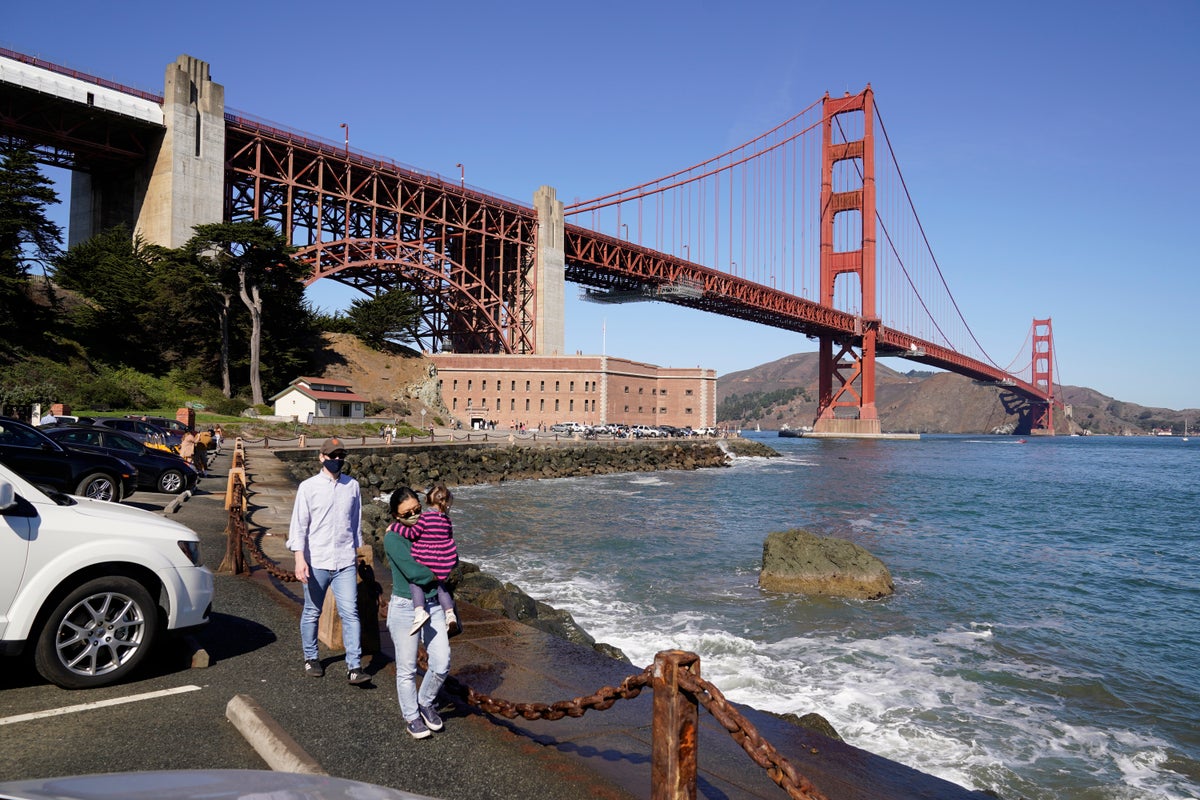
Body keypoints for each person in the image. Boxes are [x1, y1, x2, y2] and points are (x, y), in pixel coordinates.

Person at [286, 436, 370, 685]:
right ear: (321, 457)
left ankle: (354, 666)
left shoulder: (352, 486)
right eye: (332, 456)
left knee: (351, 613)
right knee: (312, 611)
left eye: (340, 456)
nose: (337, 460)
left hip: (344, 560)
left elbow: (355, 524)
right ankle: (311, 657)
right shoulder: (308, 487)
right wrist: (299, 558)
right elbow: (299, 526)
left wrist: (357, 554)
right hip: (316, 560)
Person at [384, 487, 450, 739]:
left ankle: (426, 701)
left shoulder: (428, 528)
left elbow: (448, 546)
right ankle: (411, 715)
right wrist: (439, 572)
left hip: (433, 604)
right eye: (407, 513)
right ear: (395, 515)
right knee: (407, 668)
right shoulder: (393, 538)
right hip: (404, 607)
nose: (414, 515)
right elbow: (414, 571)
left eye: (417, 510)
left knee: (442, 662)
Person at [402, 484, 459, 635]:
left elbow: (412, 534)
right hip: (442, 561)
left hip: (425, 559)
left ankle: (420, 611)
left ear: (427, 500)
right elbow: (449, 538)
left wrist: (395, 528)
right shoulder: (447, 520)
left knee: (416, 583)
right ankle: (450, 615)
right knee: (441, 587)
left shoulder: (424, 518)